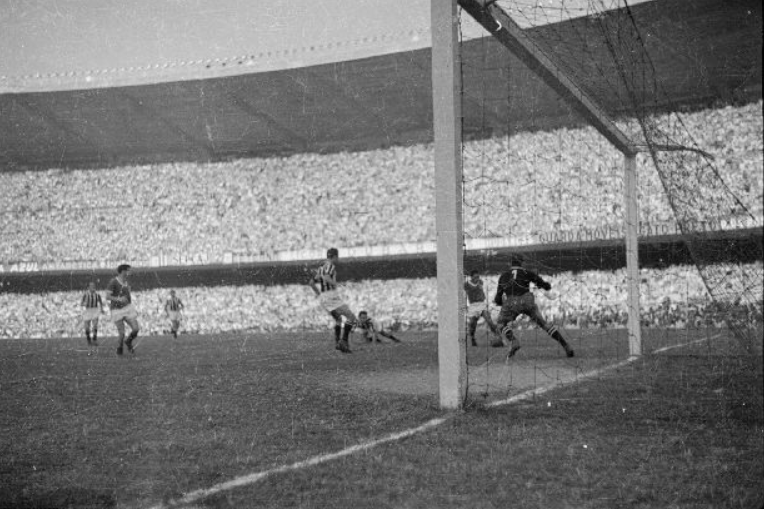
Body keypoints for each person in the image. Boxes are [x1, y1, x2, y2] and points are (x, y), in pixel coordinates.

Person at [493, 255, 574, 358]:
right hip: (527, 300)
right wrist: (546, 286)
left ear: (511, 263)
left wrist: (501, 303)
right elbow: (544, 284)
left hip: (511, 302)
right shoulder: (527, 272)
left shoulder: (503, 276)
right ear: (521, 263)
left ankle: (514, 342)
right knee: (544, 324)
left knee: (500, 324)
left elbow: (498, 298)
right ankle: (566, 346)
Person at [309, 247, 356, 353]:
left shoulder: (321, 267)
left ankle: (338, 344)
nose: (338, 259)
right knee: (351, 318)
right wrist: (336, 284)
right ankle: (343, 342)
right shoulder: (330, 265)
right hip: (331, 296)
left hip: (325, 298)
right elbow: (325, 277)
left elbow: (311, 283)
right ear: (334, 256)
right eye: (337, 257)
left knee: (339, 320)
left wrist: (320, 295)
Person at [106, 264, 140, 355]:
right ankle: (119, 349)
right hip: (117, 310)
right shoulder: (113, 281)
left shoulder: (126, 282)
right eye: (129, 270)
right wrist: (119, 299)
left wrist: (132, 308)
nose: (130, 272)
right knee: (122, 333)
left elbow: (128, 297)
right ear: (123, 271)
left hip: (127, 308)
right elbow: (107, 296)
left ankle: (128, 341)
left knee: (136, 329)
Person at [464, 270, 499, 346]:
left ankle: (497, 335)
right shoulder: (466, 284)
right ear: (471, 277)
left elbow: (478, 288)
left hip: (481, 304)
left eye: (478, 276)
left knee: (489, 320)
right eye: (475, 277)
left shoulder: (480, 281)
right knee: (472, 324)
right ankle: (472, 338)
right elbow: (466, 292)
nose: (477, 278)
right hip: (473, 306)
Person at [80, 281, 105, 354]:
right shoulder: (85, 294)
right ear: (88, 287)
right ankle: (88, 339)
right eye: (91, 286)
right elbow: (81, 303)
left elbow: (100, 302)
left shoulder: (97, 295)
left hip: (95, 310)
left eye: (93, 286)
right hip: (88, 310)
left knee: (95, 325)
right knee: (87, 327)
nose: (93, 287)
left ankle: (94, 339)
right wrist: (85, 303)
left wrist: (102, 309)